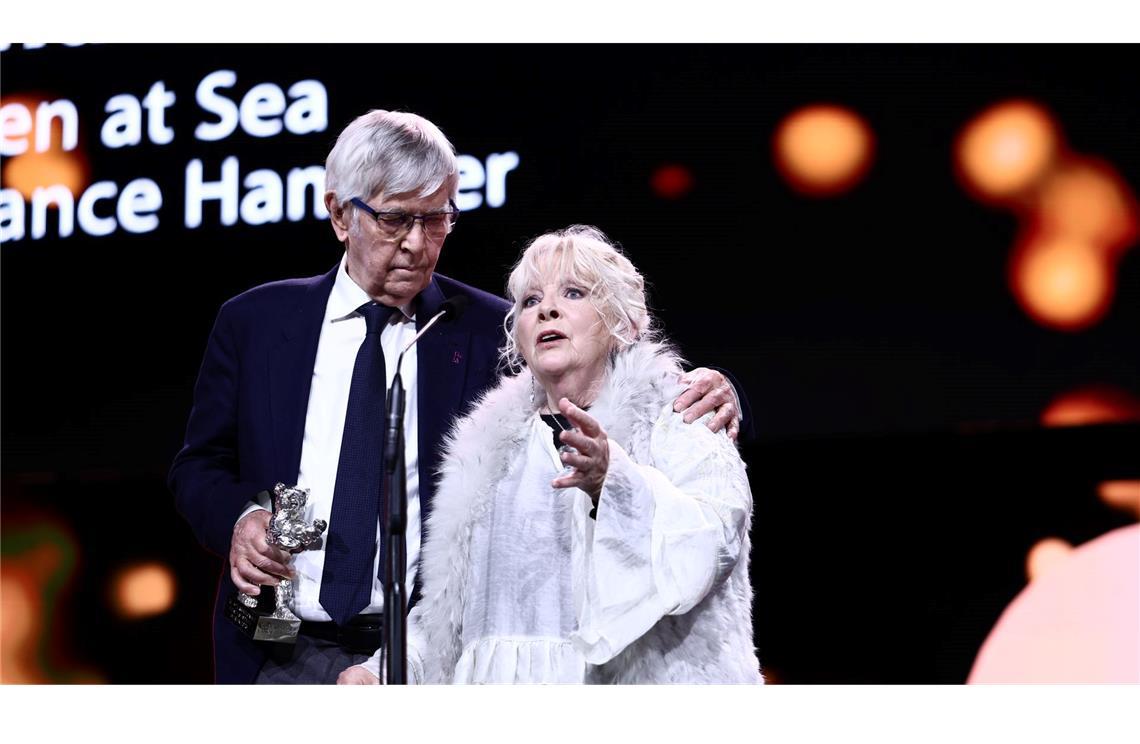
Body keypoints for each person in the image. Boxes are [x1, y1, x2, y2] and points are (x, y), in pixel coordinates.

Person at [169, 110, 747, 684]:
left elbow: (612, 366)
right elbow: (199, 466)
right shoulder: (257, 323)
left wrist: (717, 388)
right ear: (341, 215)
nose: (418, 245)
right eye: (395, 219)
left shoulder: (492, 329)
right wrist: (241, 519)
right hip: (277, 637)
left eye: (437, 218)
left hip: (424, 649)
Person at [340, 225, 761, 684]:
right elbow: (454, 618)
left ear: (625, 322)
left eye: (574, 292)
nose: (548, 310)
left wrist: (613, 482)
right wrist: (379, 671)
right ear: (517, 336)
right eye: (530, 302)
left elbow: (710, 543)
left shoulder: (681, 412)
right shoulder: (487, 455)